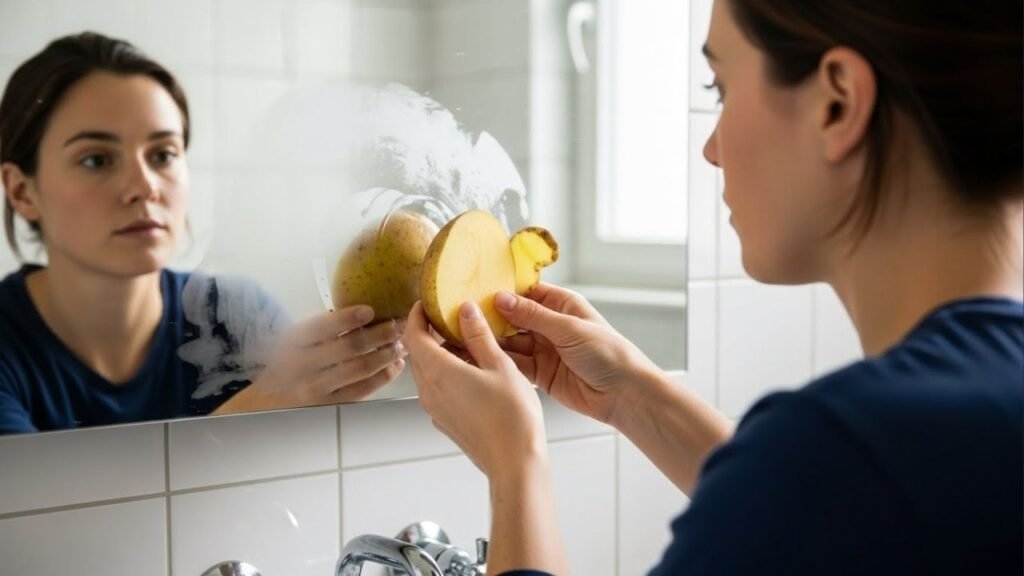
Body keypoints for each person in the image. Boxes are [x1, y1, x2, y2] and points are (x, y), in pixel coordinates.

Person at [402, 0, 1023, 574]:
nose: (710, 148)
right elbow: (822, 512)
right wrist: (632, 395)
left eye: (720, 88)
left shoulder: (845, 450)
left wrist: (517, 465)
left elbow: (826, 486)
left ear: (837, 102)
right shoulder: (931, 437)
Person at [0, 32, 407, 434]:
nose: (145, 187)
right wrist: (266, 400)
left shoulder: (236, 317)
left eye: (163, 155)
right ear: (22, 191)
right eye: (96, 160)